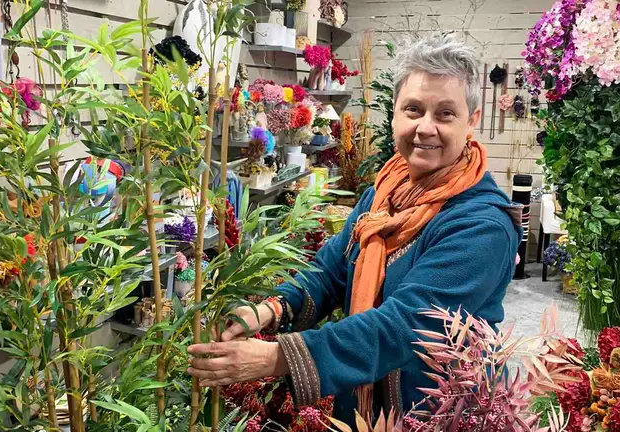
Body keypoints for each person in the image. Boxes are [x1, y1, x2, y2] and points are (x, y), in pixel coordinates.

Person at [187, 34, 523, 424]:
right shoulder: (385, 192)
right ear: (395, 114)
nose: (425, 128)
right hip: (365, 408)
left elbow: (404, 326)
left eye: (445, 114)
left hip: (435, 413)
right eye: (413, 109)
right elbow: (331, 270)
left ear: (472, 122)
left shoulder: (481, 225)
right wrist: (268, 309)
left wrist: (275, 357)